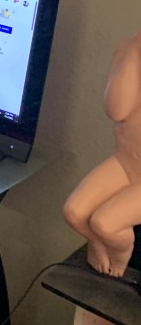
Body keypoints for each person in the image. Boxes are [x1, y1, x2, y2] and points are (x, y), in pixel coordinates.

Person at [63, 31, 141, 278]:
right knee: (74, 212)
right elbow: (116, 110)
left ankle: (123, 248)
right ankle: (96, 242)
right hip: (126, 162)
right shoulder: (130, 50)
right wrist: (134, 53)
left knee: (104, 223)